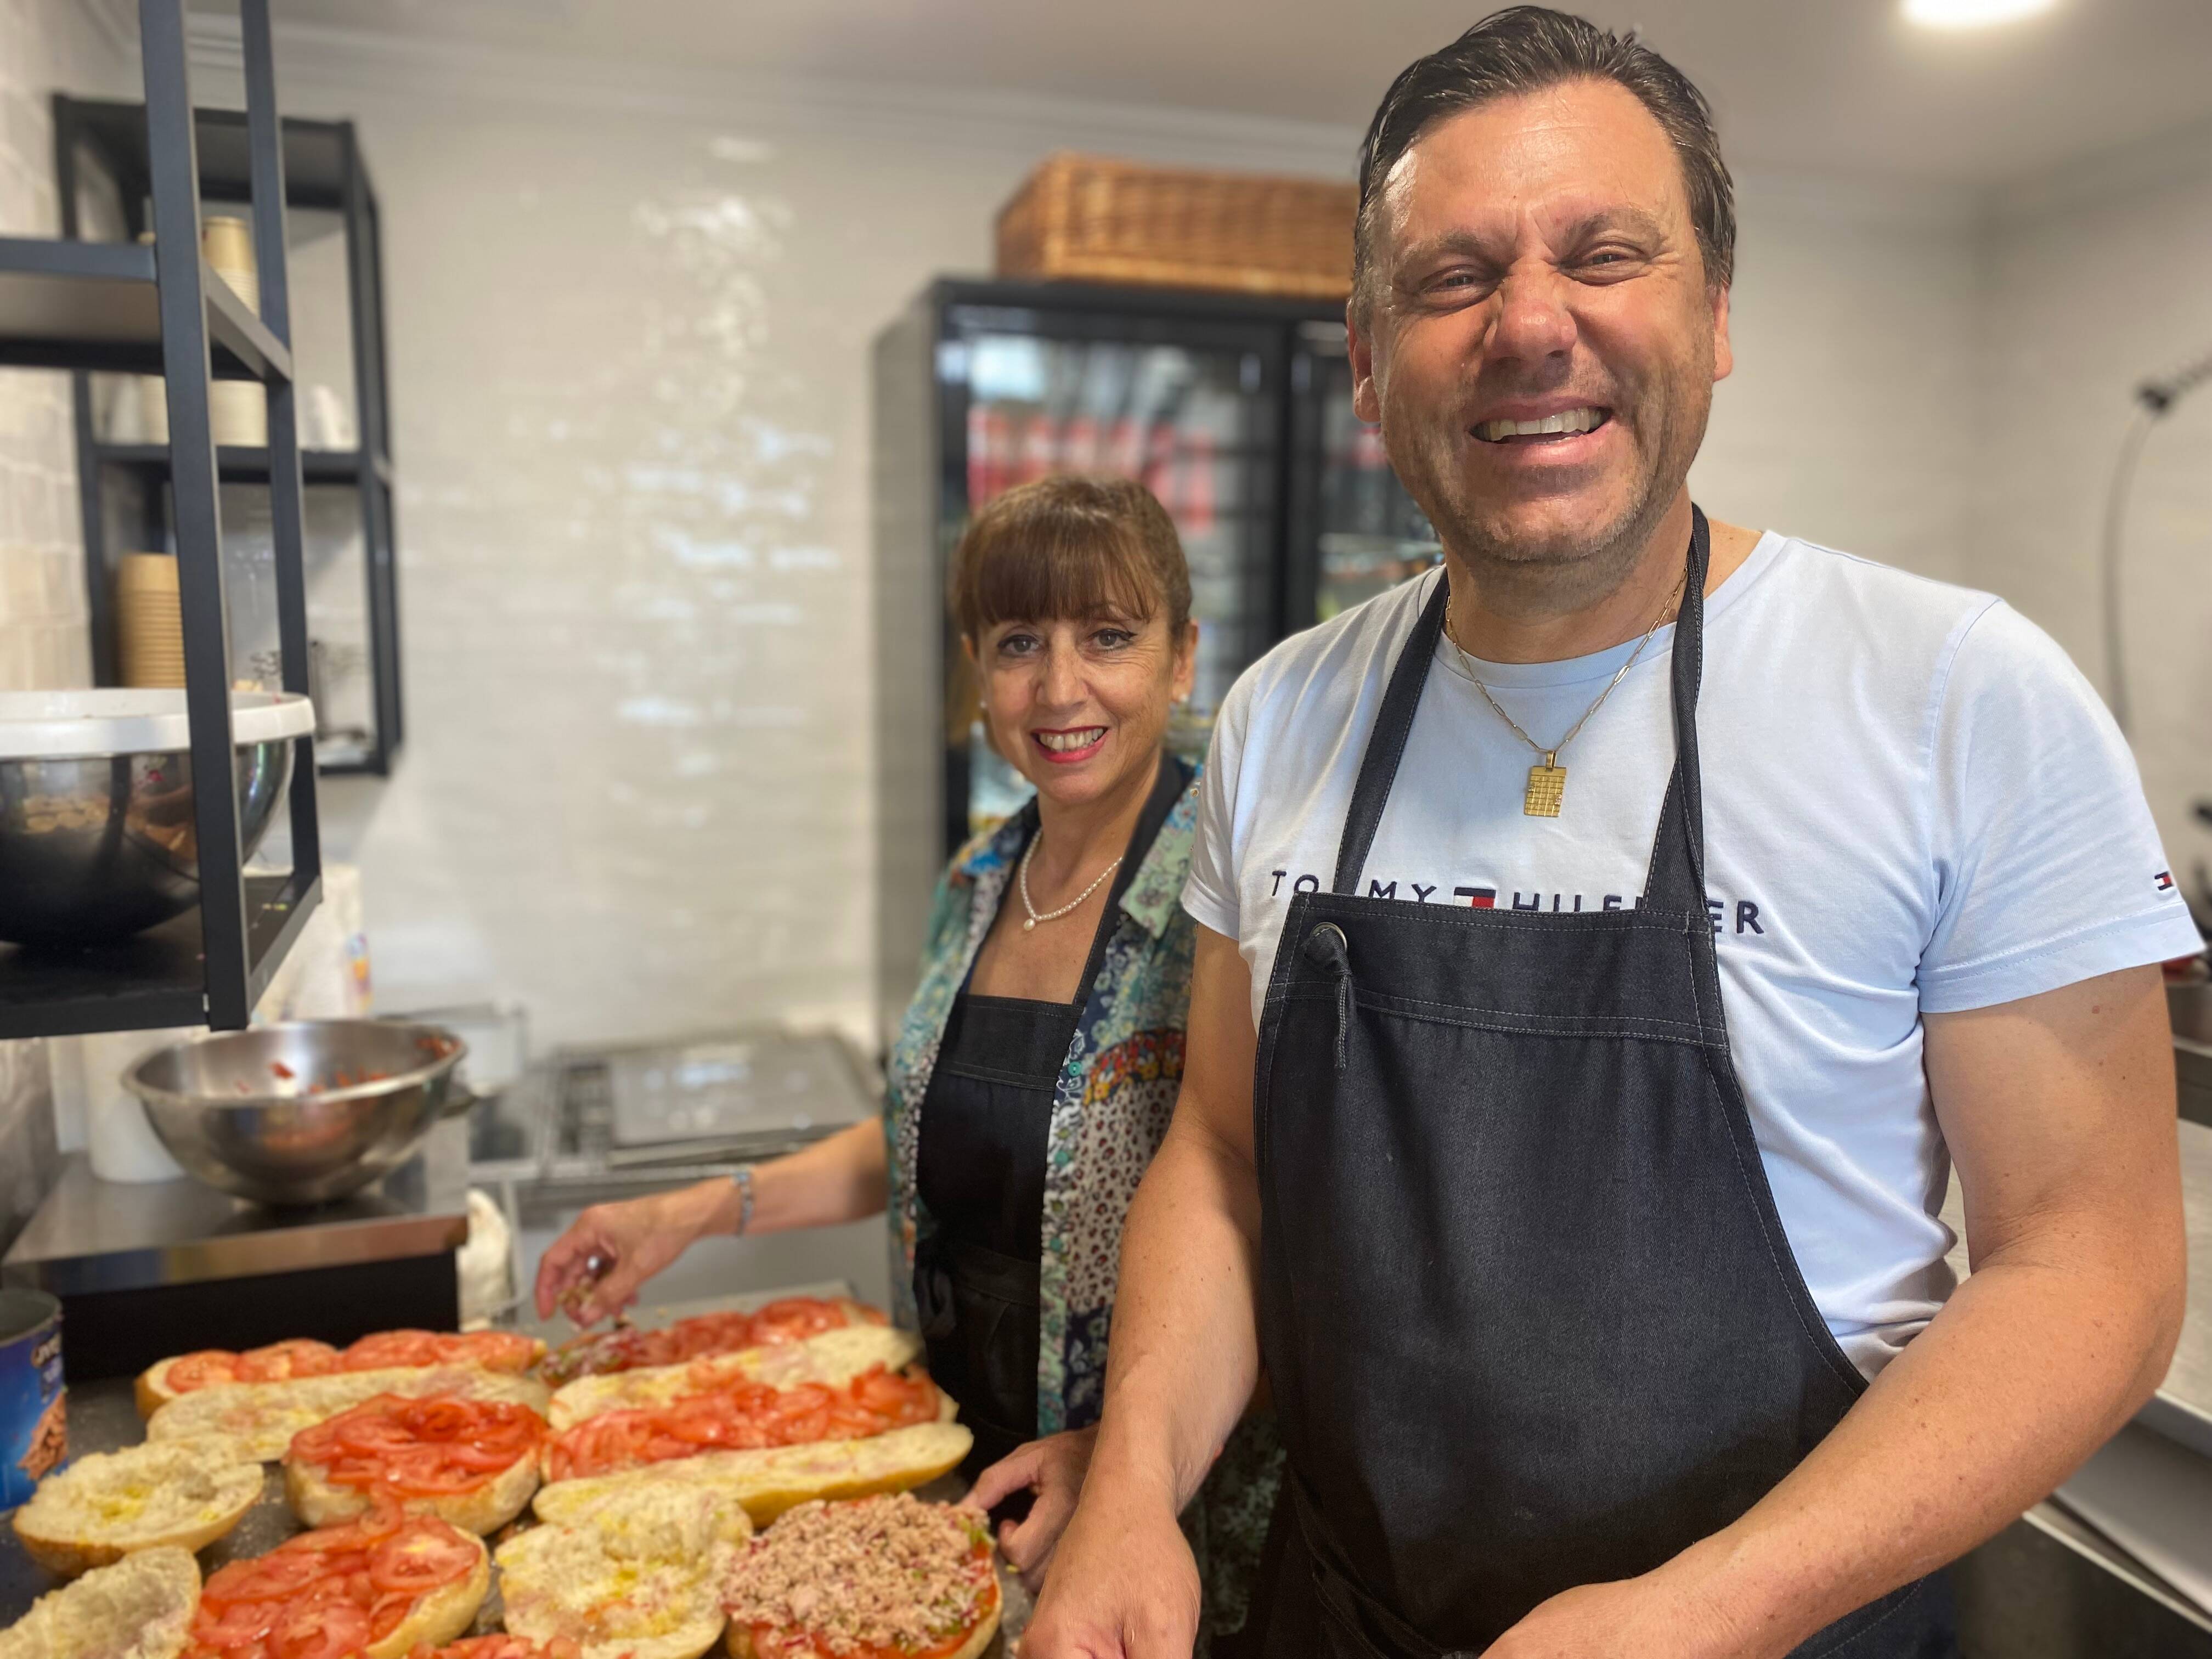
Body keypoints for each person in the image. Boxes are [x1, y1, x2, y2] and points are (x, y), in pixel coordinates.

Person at [1024, 10, 2200, 1659]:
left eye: (1604, 254)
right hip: (1343, 1617)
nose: (1530, 326)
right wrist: (1136, 1487)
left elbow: (2093, 1267)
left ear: (1714, 317)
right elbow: (1219, 1163)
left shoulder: (1953, 697)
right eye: (1452, 278)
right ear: (1366, 357)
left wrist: (1707, 1612)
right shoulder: (1288, 717)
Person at [534, 475, 1279, 1646]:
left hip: (1138, 1505)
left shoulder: (1230, 906)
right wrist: (689, 1212)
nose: (1061, 688)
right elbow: (930, 1137)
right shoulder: (982, 877)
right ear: (979, 670)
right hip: (944, 1461)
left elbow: (1270, 1223)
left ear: (1183, 661)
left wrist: (1134, 1463)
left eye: (1111, 638)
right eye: (1020, 642)